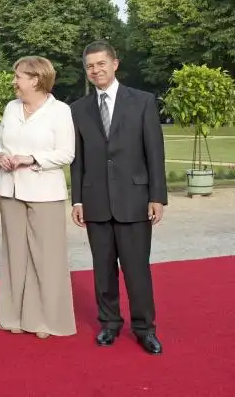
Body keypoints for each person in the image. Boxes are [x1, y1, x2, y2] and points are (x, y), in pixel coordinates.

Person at [70, 40, 167, 355]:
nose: (96, 70)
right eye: (90, 66)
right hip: (95, 200)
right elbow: (78, 160)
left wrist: (157, 196)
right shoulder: (79, 109)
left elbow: (155, 153)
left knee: (137, 269)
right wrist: (78, 200)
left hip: (135, 200)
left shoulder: (143, 102)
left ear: (115, 64)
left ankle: (144, 329)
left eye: (101, 63)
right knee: (103, 270)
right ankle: (109, 324)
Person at [0, 56, 76, 339]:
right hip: (10, 190)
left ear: (36, 79)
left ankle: (44, 320)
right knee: (14, 255)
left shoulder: (60, 111)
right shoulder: (11, 108)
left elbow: (66, 153)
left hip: (45, 192)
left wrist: (31, 158)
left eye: (18, 76)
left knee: (46, 257)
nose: (14, 81)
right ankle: (12, 315)